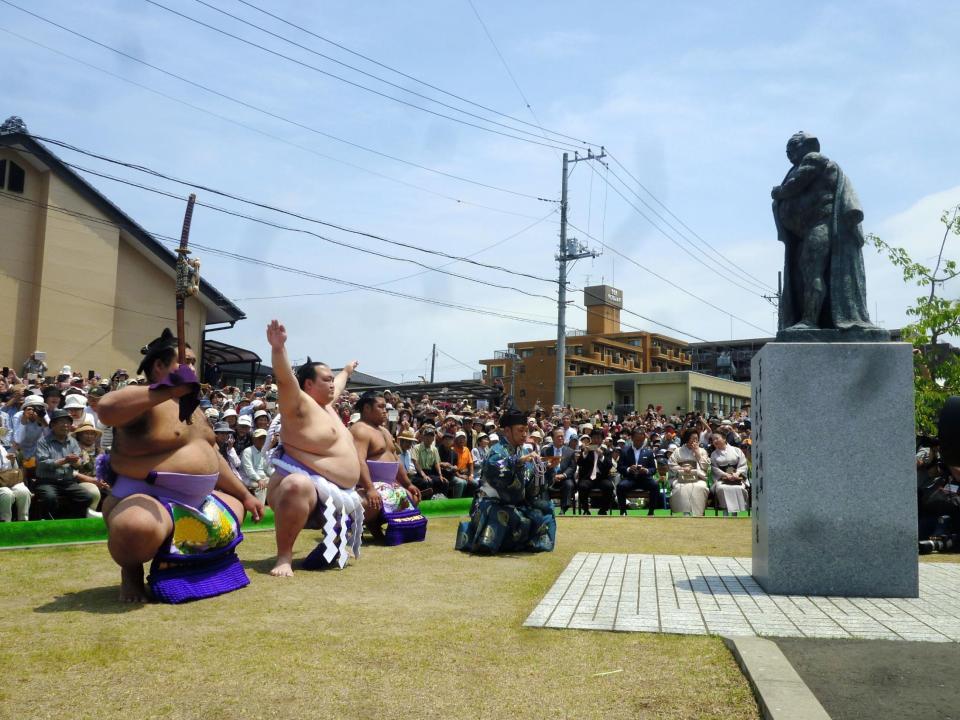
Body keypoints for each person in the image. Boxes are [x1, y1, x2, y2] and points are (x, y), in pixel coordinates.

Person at [97, 329, 263, 602]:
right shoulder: (141, 400)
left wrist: (244, 494)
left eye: (195, 361)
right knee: (134, 528)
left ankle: (198, 568)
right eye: (184, 361)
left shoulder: (193, 406)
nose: (192, 367)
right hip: (145, 497)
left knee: (236, 506)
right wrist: (166, 389)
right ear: (159, 366)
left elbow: (211, 454)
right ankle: (131, 571)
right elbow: (106, 409)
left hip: (200, 501)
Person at [263, 320, 364, 576]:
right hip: (296, 486)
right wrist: (278, 349)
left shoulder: (327, 406)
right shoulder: (298, 405)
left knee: (374, 499)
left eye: (333, 379)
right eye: (326, 379)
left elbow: (340, 383)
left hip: (337, 489)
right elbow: (286, 380)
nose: (333, 384)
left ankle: (336, 544)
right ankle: (284, 557)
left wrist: (347, 371)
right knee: (298, 484)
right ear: (308, 385)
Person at [456, 409, 556, 555]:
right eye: (520, 430)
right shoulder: (496, 450)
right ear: (507, 431)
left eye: (526, 431)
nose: (524, 435)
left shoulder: (522, 451)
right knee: (503, 514)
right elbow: (495, 469)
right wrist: (518, 462)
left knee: (546, 509)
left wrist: (544, 470)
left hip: (518, 502)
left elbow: (530, 488)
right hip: (493, 502)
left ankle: (536, 543)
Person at [350, 391, 422, 540]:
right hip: (366, 485)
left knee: (411, 496)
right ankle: (361, 525)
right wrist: (369, 489)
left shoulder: (384, 431)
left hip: (389, 485)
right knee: (371, 502)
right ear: (367, 408)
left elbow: (396, 460)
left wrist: (408, 484)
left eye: (386, 407)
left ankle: (375, 524)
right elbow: (358, 461)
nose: (385, 411)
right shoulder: (360, 429)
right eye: (381, 407)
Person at [33, 409, 94, 518]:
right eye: (62, 422)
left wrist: (77, 462)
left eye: (68, 423)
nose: (66, 425)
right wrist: (65, 460)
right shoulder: (43, 442)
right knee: (50, 497)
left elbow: (78, 463)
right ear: (52, 425)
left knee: (87, 497)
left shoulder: (73, 442)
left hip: (68, 481)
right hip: (47, 481)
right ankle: (50, 521)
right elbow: (43, 463)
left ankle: (71, 520)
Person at [617, 427, 661, 516]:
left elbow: (653, 469)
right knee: (620, 486)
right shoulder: (625, 451)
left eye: (641, 440)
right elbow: (620, 467)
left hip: (644, 479)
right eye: (637, 440)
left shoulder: (648, 452)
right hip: (630, 479)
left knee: (655, 486)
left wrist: (647, 471)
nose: (639, 442)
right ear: (632, 438)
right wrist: (629, 469)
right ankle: (623, 512)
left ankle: (651, 512)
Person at [668, 428, 710, 516]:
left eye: (697, 439)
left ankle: (698, 513)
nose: (695, 441)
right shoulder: (678, 451)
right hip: (681, 477)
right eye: (693, 439)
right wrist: (682, 469)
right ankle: (685, 512)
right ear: (687, 438)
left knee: (701, 487)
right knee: (681, 487)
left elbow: (706, 467)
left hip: (698, 478)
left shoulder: (702, 451)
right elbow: (671, 464)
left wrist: (698, 454)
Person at [575, 429, 615, 515]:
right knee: (582, 486)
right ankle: (585, 509)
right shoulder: (586, 449)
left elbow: (609, 466)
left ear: (602, 439)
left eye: (599, 438)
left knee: (609, 486)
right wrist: (585, 453)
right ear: (591, 438)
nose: (596, 440)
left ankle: (603, 509)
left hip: (602, 477)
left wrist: (601, 456)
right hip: (588, 477)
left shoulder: (607, 451)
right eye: (594, 438)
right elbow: (579, 463)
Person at [709, 432, 750, 515]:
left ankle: (735, 512)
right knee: (721, 488)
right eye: (713, 440)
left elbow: (743, 464)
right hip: (722, 479)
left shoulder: (737, 450)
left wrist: (737, 473)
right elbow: (714, 468)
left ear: (724, 439)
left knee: (740, 488)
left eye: (717, 438)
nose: (715, 441)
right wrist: (725, 475)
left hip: (737, 478)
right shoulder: (713, 454)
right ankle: (725, 511)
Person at [411, 425, 447, 498]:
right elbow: (416, 463)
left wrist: (440, 475)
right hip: (418, 473)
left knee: (444, 482)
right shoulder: (416, 448)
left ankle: (442, 500)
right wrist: (423, 475)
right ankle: (427, 502)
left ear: (433, 438)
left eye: (431, 436)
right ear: (423, 437)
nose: (429, 438)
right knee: (427, 482)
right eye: (427, 436)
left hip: (430, 472)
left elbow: (437, 463)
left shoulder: (434, 449)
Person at [241, 429, 271, 502]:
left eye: (264, 438)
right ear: (254, 439)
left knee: (278, 482)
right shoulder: (247, 451)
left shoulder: (264, 452)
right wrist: (259, 480)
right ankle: (259, 511)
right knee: (261, 486)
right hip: (248, 478)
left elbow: (267, 468)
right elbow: (249, 470)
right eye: (260, 438)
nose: (262, 440)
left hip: (262, 477)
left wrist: (275, 475)